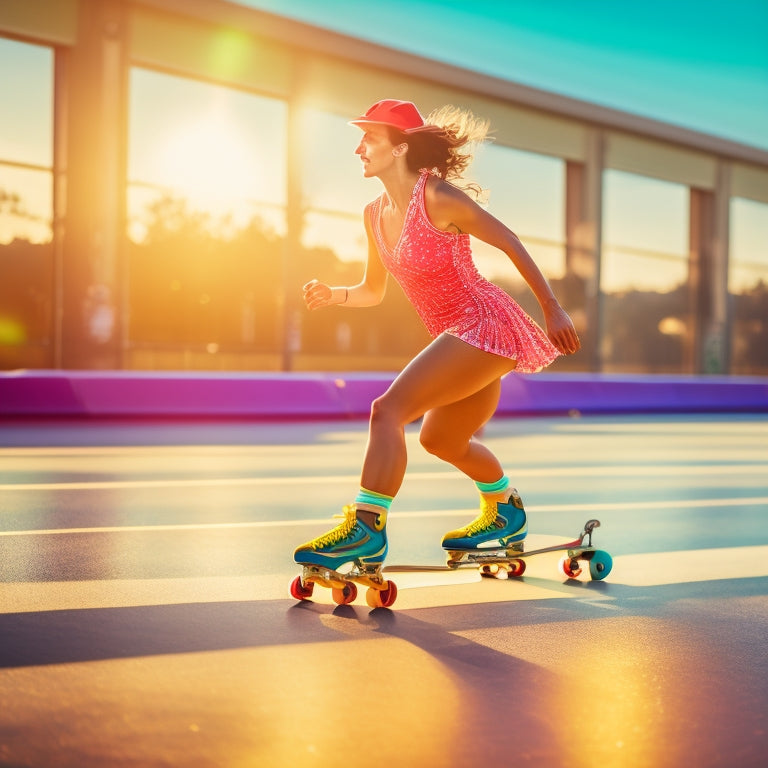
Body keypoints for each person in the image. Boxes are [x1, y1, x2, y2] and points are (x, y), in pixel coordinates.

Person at [294, 98, 580, 573]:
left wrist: (552, 308)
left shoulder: (438, 198)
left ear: (400, 147)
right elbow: (372, 290)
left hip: (486, 323)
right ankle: (506, 511)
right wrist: (334, 294)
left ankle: (366, 529)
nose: (359, 147)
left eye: (370, 138)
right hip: (460, 333)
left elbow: (509, 240)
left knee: (387, 411)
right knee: (442, 439)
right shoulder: (373, 214)